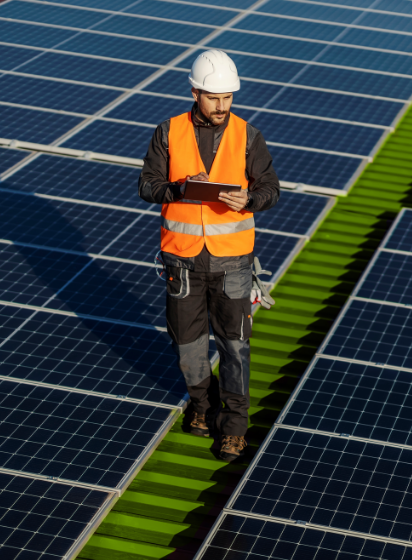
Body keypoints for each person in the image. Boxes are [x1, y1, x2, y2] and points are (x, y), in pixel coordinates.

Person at [138, 50, 280, 462]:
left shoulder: (248, 135)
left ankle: (234, 429)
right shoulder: (168, 132)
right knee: (188, 345)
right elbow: (147, 186)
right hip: (181, 261)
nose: (222, 106)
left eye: (229, 98)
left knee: (235, 347)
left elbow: (271, 188)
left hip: (233, 261)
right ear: (195, 91)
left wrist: (249, 199)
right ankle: (202, 407)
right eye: (214, 97)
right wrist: (181, 188)